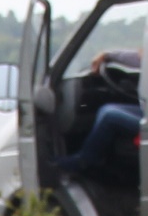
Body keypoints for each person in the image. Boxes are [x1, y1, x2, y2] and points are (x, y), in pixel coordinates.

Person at [55, 48, 143, 188]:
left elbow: (139, 57)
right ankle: (97, 159)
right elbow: (137, 58)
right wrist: (107, 55)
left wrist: (109, 55)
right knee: (106, 110)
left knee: (109, 116)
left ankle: (84, 160)